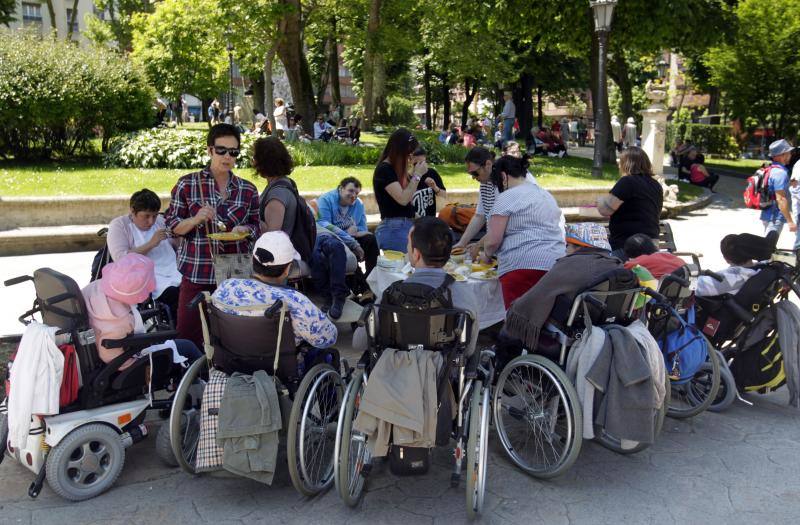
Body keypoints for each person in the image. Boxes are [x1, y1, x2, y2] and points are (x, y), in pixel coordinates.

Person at [353, 217, 479, 356]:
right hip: (443, 373)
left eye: (408, 243)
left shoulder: (390, 295)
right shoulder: (464, 294)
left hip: (396, 372)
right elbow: (468, 350)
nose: (407, 247)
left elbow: (359, 343)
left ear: (416, 254)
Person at [501, 223, 622, 357]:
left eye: (568, 245)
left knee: (509, 329)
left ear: (579, 247)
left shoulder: (571, 265)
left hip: (566, 332)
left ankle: (502, 371)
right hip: (601, 326)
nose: (565, 250)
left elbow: (537, 295)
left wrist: (515, 310)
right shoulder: (616, 264)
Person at [212, 231, 338, 349]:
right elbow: (328, 338)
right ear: (287, 269)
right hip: (279, 368)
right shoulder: (295, 301)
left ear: (252, 260)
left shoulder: (226, 287)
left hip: (231, 361)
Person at [82, 253, 203, 370]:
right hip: (125, 365)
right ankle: (209, 381)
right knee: (188, 346)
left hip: (96, 353)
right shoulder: (123, 321)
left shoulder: (93, 287)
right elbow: (114, 355)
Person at [481, 155, 565, 308]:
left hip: (522, 266)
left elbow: (493, 240)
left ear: (503, 176)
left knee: (518, 321)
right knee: (545, 320)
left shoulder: (507, 197)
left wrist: (486, 255)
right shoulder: (545, 194)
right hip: (555, 264)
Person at [107, 189, 182, 322]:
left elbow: (176, 247)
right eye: (146, 216)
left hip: (173, 268)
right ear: (133, 211)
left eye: (154, 215)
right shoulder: (119, 225)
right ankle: (179, 333)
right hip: (145, 276)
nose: (151, 221)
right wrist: (151, 243)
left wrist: (177, 238)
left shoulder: (160, 221)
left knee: (192, 290)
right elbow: (120, 259)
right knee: (173, 294)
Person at [253, 136, 315, 263]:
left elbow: (272, 234)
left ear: (263, 162)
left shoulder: (277, 194)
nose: (252, 161)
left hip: (277, 263)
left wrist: (250, 216)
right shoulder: (286, 183)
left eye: (255, 157)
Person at [597, 147, 663, 258]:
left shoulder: (627, 182)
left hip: (629, 245)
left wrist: (599, 201)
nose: (619, 165)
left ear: (626, 164)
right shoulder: (655, 185)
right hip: (651, 245)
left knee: (599, 264)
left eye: (620, 162)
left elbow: (605, 210)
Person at [372, 128, 426, 252]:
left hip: (402, 226)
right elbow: (403, 199)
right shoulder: (385, 170)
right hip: (394, 230)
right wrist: (417, 175)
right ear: (399, 151)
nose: (409, 158)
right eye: (408, 154)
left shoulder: (395, 170)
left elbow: (404, 206)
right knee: (401, 270)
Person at [317, 177, 379, 275]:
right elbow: (324, 226)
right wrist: (348, 235)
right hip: (334, 240)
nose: (353, 195)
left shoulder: (358, 204)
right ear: (341, 188)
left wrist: (356, 232)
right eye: (350, 191)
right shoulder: (326, 200)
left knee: (370, 239)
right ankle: (360, 283)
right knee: (342, 248)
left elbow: (363, 227)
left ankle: (372, 277)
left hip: (352, 238)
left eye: (356, 193)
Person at [695, 234, 760, 297]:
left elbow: (694, 287)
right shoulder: (761, 268)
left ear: (726, 259)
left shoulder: (732, 279)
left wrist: (688, 276)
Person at [759, 139, 796, 236]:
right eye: (788, 153)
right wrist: (790, 221)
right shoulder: (780, 173)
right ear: (782, 155)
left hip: (767, 214)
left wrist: (789, 183)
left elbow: (773, 186)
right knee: (768, 247)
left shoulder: (771, 169)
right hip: (775, 218)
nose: (790, 155)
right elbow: (781, 199)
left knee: (767, 245)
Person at [409, 147, 447, 218]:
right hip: (413, 220)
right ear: (410, 161)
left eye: (422, 163)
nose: (420, 167)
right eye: (416, 164)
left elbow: (444, 195)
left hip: (429, 220)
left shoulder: (432, 173)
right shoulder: (407, 177)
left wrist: (435, 187)